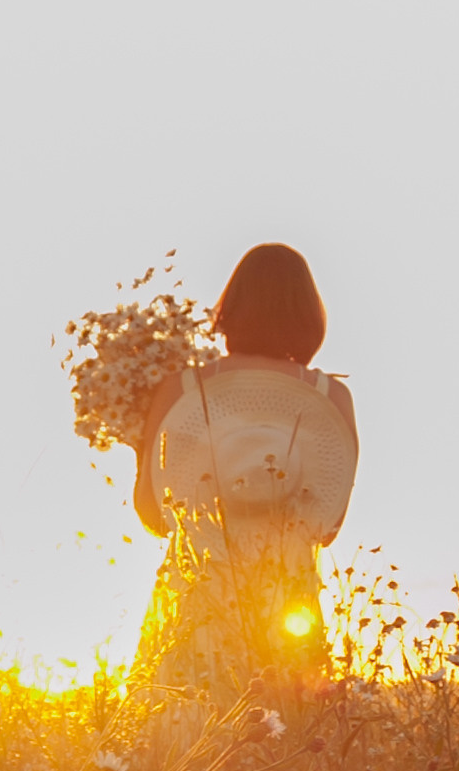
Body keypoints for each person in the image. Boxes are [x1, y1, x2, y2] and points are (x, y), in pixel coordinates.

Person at [132, 244, 359, 690]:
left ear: (230, 308)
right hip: (286, 598)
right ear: (309, 314)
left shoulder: (180, 389)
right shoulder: (331, 398)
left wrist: (143, 452)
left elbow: (154, 516)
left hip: (197, 594)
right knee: (286, 734)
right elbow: (327, 528)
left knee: (185, 733)